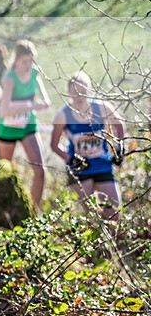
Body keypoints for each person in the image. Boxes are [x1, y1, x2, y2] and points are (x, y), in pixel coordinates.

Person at [50, 72, 125, 221]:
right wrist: (69, 159)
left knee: (114, 213)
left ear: (88, 89)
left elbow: (119, 125)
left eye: (82, 89)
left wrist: (119, 149)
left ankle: (111, 241)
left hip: (103, 164)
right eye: (75, 90)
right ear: (68, 92)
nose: (79, 94)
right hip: (80, 168)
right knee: (91, 216)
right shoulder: (63, 115)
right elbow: (53, 145)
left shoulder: (102, 108)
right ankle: (96, 242)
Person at [0, 40, 51, 214]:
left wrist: (43, 103)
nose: (28, 65)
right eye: (24, 61)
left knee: (40, 171)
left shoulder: (35, 73)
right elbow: (3, 110)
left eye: (31, 61)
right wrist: (31, 106)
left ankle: (33, 212)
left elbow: (45, 98)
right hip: (8, 128)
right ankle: (4, 211)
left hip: (28, 126)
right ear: (16, 60)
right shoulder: (10, 77)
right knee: (5, 173)